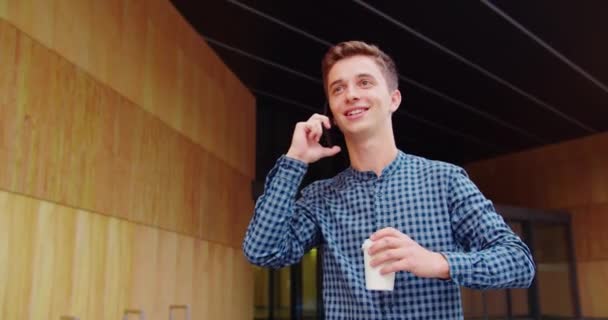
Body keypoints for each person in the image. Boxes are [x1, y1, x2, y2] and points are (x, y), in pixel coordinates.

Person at [243, 40, 535, 319]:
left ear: (394, 99)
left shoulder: (445, 181)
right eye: (338, 88)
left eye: (364, 82)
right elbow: (262, 251)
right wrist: (294, 161)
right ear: (331, 110)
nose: (351, 94)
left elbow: (518, 261)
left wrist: (438, 262)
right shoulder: (322, 196)